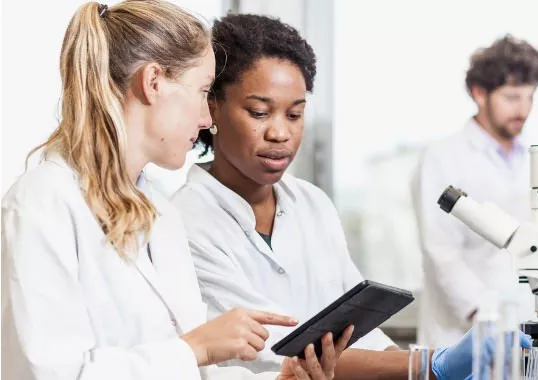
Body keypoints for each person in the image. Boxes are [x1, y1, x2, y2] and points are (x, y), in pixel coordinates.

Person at [170, 13, 531, 379]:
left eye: (295, 114)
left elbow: (356, 329)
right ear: (211, 106)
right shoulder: (187, 221)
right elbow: (277, 350)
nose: (280, 133)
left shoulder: (312, 203)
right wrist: (426, 367)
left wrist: (423, 368)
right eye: (259, 112)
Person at [1, 2, 349, 379]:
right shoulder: (43, 201)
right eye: (201, 92)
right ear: (153, 83)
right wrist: (196, 347)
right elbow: (50, 372)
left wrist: (280, 379)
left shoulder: (159, 213)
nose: (205, 119)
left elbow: (193, 371)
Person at [411, 35, 538, 348]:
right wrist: (484, 318)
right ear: (479, 93)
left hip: (526, 332)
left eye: (530, 97)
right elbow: (440, 251)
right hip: (461, 334)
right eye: (512, 97)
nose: (523, 109)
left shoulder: (533, 161)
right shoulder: (442, 157)